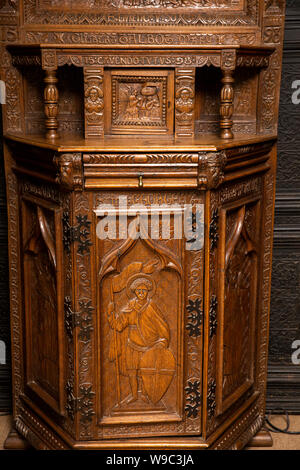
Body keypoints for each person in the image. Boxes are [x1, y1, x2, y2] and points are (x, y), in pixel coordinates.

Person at [107, 274, 170, 404]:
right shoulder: (130, 307)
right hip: (132, 345)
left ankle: (145, 394)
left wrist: (163, 340)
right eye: (138, 291)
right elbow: (119, 326)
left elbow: (162, 325)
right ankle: (134, 395)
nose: (141, 293)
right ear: (135, 292)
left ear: (148, 292)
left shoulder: (151, 306)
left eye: (144, 291)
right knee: (131, 371)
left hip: (147, 345)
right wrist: (110, 314)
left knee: (145, 372)